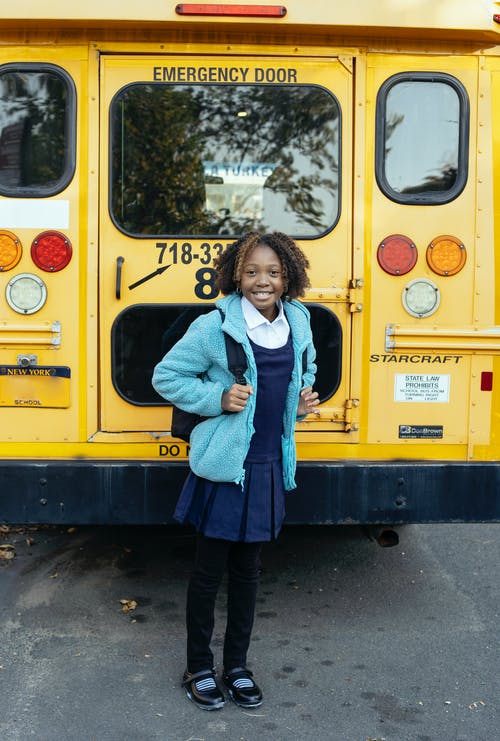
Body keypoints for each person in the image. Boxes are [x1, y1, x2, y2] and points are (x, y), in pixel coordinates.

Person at [152, 231, 318, 711]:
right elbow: (167, 375)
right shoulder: (214, 326)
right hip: (226, 467)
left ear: (288, 276)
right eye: (251, 272)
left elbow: (301, 376)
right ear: (235, 276)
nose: (261, 281)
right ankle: (199, 667)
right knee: (208, 572)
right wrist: (216, 399)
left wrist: (301, 406)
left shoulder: (299, 322)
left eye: (272, 272)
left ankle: (237, 667)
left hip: (267, 464)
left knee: (248, 573)